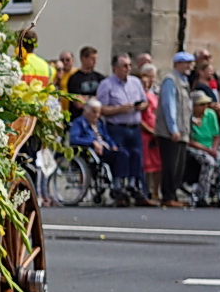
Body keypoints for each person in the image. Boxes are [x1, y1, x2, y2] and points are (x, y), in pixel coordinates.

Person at [94, 55, 149, 205]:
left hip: (134, 126)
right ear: (115, 68)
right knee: (121, 155)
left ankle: (133, 184)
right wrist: (120, 109)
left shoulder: (135, 82)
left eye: (129, 65)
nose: (128, 69)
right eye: (124, 66)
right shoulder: (107, 84)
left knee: (136, 155)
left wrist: (139, 106)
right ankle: (118, 186)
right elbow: (101, 109)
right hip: (116, 126)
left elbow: (145, 102)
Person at [156, 52, 194, 208]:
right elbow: (169, 105)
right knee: (171, 165)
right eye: (187, 63)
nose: (190, 66)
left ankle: (174, 194)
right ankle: (168, 196)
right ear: (178, 64)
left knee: (179, 166)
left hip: (182, 131)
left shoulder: (184, 81)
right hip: (170, 132)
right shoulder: (170, 81)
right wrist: (173, 129)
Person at [137, 62, 163, 202]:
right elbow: (139, 118)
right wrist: (150, 130)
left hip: (155, 132)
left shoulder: (152, 95)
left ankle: (155, 191)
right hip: (145, 134)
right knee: (146, 165)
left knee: (158, 164)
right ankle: (145, 190)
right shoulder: (139, 99)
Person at [67, 98, 118, 169]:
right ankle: (117, 179)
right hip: (92, 151)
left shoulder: (99, 123)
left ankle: (124, 178)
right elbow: (74, 139)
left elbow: (107, 137)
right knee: (118, 156)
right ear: (86, 111)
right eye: (94, 112)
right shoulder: (78, 122)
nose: (97, 115)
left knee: (125, 153)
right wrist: (92, 142)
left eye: (99, 112)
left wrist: (113, 145)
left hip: (105, 148)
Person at [64, 46, 103, 120]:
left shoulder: (100, 78)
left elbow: (103, 99)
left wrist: (86, 98)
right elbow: (78, 103)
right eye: (92, 59)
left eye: (96, 59)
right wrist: (94, 98)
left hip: (96, 120)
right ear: (83, 59)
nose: (95, 61)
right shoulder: (74, 78)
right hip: (79, 119)